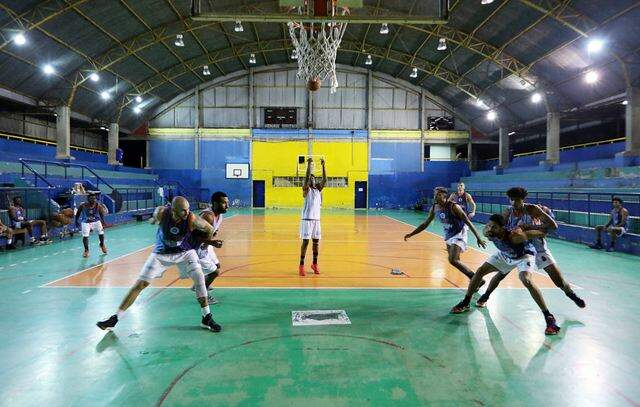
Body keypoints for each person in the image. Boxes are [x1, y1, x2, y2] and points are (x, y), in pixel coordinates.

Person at [96, 196, 221, 333]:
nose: (187, 213)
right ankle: (114, 319)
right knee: (140, 284)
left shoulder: (191, 218)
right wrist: (154, 220)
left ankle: (206, 317)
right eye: (183, 211)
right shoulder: (161, 212)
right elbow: (156, 218)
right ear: (173, 210)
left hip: (185, 252)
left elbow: (209, 229)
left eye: (188, 209)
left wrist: (202, 244)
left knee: (199, 277)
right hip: (162, 253)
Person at [451, 213, 561, 336]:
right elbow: (486, 230)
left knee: (526, 280)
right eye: (489, 226)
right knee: (481, 271)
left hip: (524, 256)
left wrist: (541, 227)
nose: (490, 229)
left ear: (502, 228)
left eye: (494, 227)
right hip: (505, 255)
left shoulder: (515, 236)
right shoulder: (488, 231)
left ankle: (549, 317)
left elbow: (541, 233)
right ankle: (466, 302)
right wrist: (488, 229)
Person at [475, 195, 585, 308]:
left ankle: (571, 294)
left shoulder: (539, 210)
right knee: (500, 274)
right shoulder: (508, 212)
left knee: (558, 280)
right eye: (512, 200)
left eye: (516, 201)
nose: (514, 204)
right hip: (518, 248)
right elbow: (498, 225)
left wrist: (528, 227)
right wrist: (489, 232)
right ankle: (486, 295)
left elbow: (550, 228)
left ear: (523, 200)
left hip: (538, 248)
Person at [405, 187, 487, 281]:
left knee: (453, 260)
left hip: (459, 232)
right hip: (449, 234)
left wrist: (478, 237)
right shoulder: (434, 208)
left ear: (444, 195)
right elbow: (425, 224)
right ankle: (474, 279)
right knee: (455, 260)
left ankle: (476, 279)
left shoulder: (454, 206)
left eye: (438, 194)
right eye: (434, 194)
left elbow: (468, 221)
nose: (435, 196)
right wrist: (411, 234)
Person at [186, 191, 229, 304]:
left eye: (227, 202)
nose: (227, 205)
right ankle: (203, 294)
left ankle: (197, 285)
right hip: (196, 248)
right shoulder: (207, 216)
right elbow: (193, 237)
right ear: (215, 203)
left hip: (206, 245)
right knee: (215, 272)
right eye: (224, 203)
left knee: (216, 265)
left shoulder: (219, 215)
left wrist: (212, 237)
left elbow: (211, 230)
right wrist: (212, 242)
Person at [299, 157, 326, 276]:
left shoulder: (318, 190)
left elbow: (325, 180)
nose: (311, 179)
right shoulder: (306, 189)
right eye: (310, 178)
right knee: (305, 242)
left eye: (313, 178)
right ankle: (301, 265)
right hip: (306, 220)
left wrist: (324, 166)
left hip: (316, 221)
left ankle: (314, 264)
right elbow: (305, 179)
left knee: (316, 242)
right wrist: (309, 166)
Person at [75, 193, 108, 258]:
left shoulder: (98, 205)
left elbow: (101, 213)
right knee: (85, 236)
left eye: (95, 198)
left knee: (101, 232)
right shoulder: (83, 205)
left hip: (96, 221)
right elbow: (78, 213)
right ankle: (86, 250)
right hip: (86, 222)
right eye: (92, 198)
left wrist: (103, 221)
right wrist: (76, 221)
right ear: (88, 199)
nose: (94, 200)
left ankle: (102, 244)